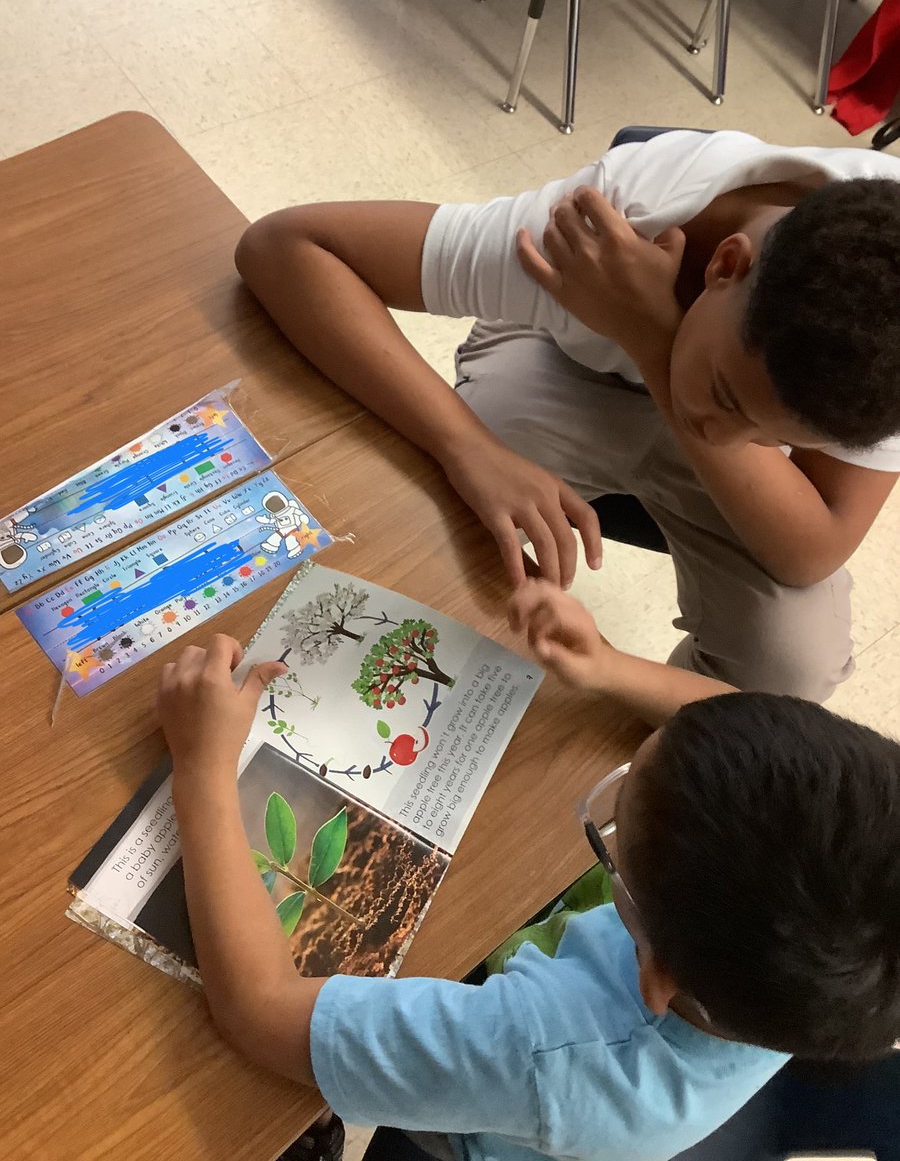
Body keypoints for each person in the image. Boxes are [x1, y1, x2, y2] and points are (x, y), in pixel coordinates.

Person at [158, 581, 900, 1161]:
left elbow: (256, 1008)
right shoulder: (850, 892)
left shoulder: (545, 1054)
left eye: (614, 832)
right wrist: (609, 666)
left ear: (658, 976)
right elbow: (745, 722)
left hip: (486, 1121)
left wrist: (201, 766)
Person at [234, 130, 900, 701]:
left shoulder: (879, 359)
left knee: (791, 669)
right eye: (727, 398)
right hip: (563, 365)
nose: (718, 440)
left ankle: (616, 757)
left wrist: (653, 337)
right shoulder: (608, 225)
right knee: (420, 495)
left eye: (779, 439)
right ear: (725, 264)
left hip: (662, 348)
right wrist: (467, 447)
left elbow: (813, 549)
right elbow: (285, 247)